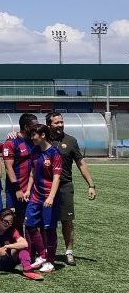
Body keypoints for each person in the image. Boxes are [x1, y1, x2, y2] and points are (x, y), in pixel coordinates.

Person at [46, 111, 97, 265]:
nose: (60, 125)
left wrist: (91, 185)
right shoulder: (42, 139)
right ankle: (46, 251)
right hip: (46, 187)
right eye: (56, 123)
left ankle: (69, 252)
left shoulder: (71, 141)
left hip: (65, 186)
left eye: (61, 122)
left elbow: (81, 163)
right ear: (49, 124)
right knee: (47, 221)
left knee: (67, 220)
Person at [23, 122, 61, 273]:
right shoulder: (35, 151)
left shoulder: (54, 153)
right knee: (30, 225)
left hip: (48, 197)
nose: (32, 138)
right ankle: (43, 255)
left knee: (49, 229)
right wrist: (27, 190)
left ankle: (50, 261)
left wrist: (51, 197)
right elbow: (32, 172)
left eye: (34, 135)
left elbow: (57, 178)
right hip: (35, 196)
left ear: (43, 135)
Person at [0, 208, 43, 280]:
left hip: (8, 262)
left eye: (10, 222)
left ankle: (28, 270)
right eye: (5, 221)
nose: (8, 224)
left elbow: (25, 243)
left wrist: (8, 246)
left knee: (22, 246)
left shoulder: (12, 230)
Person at [1, 112, 37, 231]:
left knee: (32, 221)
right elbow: (8, 167)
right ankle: (16, 248)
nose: (36, 128)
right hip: (15, 190)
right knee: (15, 220)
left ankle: (31, 248)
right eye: (34, 126)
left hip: (32, 189)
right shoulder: (11, 142)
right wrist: (17, 189)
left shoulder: (35, 141)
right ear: (26, 127)